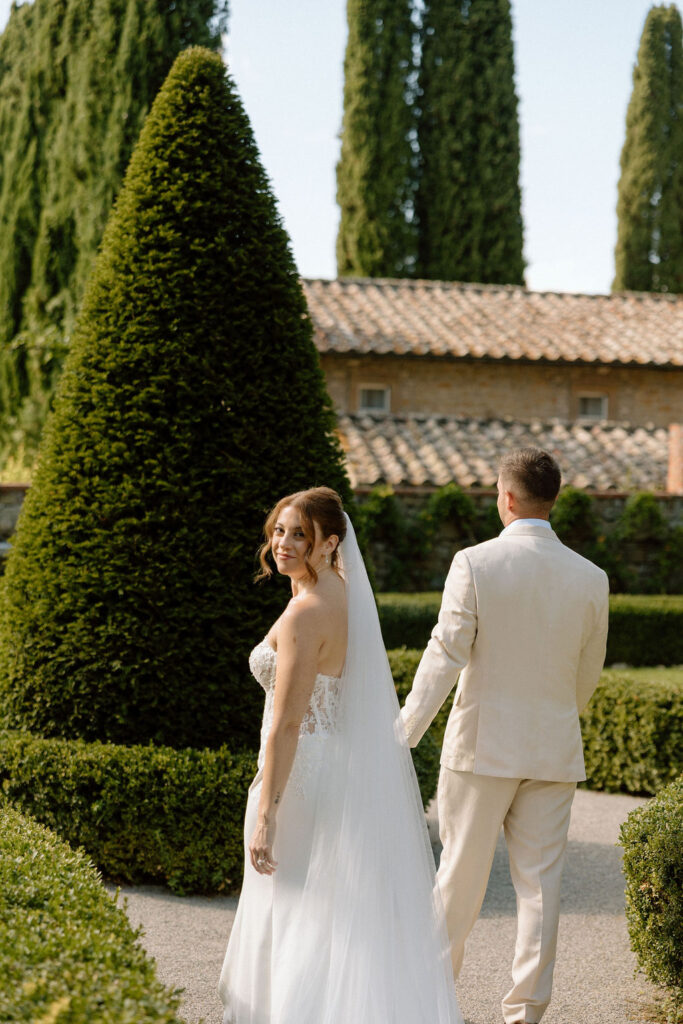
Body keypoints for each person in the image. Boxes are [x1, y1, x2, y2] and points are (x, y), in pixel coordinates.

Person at [219, 486, 463, 1024]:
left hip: (300, 777)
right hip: (333, 767)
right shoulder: (345, 596)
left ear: (331, 542)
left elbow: (286, 723)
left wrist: (266, 814)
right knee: (329, 914)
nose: (283, 543)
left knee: (293, 911)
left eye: (299, 534)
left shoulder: (308, 613)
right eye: (279, 530)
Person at [400, 448, 609, 1024]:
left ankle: (431, 1004)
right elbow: (587, 673)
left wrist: (404, 734)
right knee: (541, 890)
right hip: (553, 749)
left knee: (458, 882)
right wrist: (555, 720)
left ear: (507, 497)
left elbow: (444, 656)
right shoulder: (592, 578)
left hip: (481, 747)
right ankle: (525, 1015)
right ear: (553, 498)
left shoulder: (474, 562)